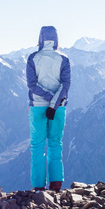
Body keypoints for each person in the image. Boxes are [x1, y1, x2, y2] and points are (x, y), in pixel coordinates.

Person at [26, 26, 71, 192]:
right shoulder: (64, 59)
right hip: (58, 108)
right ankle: (56, 185)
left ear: (40, 38)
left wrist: (46, 99)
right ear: (56, 39)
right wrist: (54, 102)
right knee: (55, 144)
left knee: (37, 146)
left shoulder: (33, 58)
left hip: (37, 108)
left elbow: (32, 85)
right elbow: (65, 85)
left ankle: (38, 187)